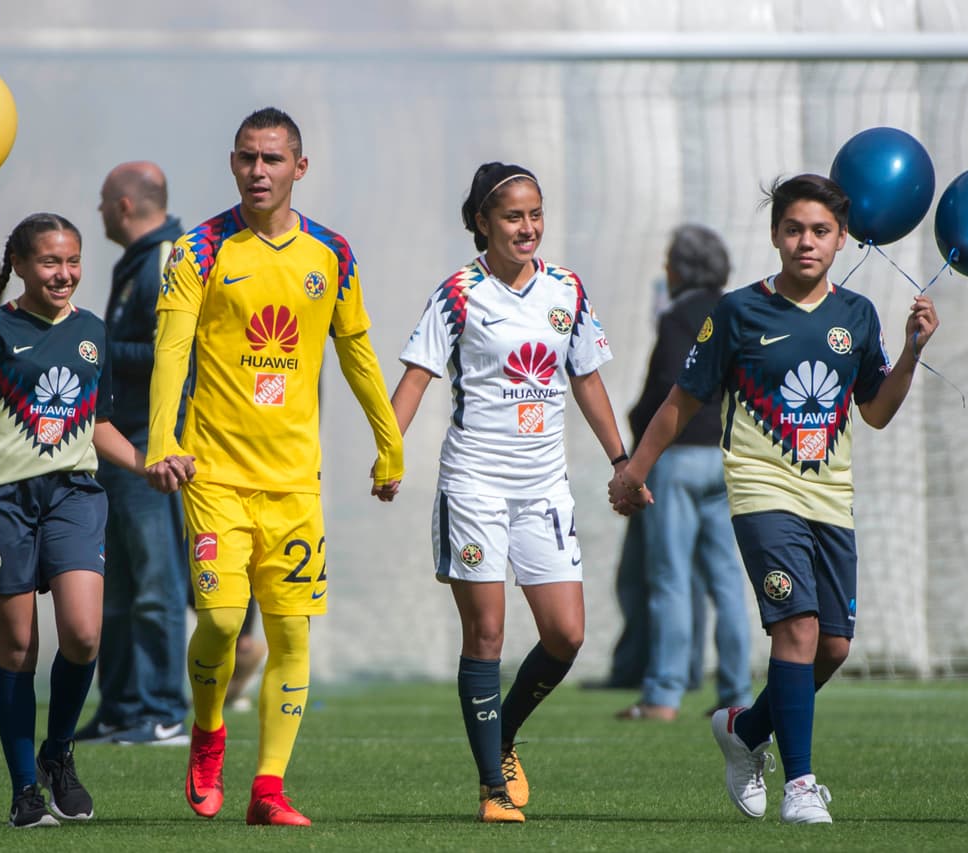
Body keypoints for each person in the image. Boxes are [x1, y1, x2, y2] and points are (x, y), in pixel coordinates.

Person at [610, 174, 938, 824]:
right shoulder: (737, 312)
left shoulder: (858, 315)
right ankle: (801, 784)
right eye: (793, 229)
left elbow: (875, 411)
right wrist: (633, 471)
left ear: (841, 240)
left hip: (831, 498)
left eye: (820, 231)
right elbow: (681, 401)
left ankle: (744, 728)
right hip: (761, 491)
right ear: (774, 236)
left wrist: (910, 352)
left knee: (833, 647)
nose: (805, 242)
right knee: (797, 627)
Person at [145, 107, 403, 827]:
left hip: (294, 482)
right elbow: (171, 349)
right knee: (223, 619)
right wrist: (161, 439)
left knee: (291, 635)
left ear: (299, 167)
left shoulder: (332, 254)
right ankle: (207, 734)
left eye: (272, 159)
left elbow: (357, 352)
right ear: (233, 162)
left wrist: (389, 442)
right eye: (246, 158)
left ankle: (268, 788)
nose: (258, 171)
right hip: (213, 473)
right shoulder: (198, 250)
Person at [389, 161, 629, 823]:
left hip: (544, 488)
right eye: (512, 216)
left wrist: (621, 461)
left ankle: (504, 734)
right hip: (474, 485)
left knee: (567, 634)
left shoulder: (567, 290)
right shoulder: (458, 294)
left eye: (535, 214)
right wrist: (389, 451)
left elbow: (586, 377)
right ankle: (492, 787)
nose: (527, 227)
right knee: (487, 633)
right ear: (482, 223)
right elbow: (415, 378)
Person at [0, 212, 167, 828]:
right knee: (17, 650)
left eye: (72, 261)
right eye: (50, 262)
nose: (64, 274)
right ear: (20, 264)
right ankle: (24, 790)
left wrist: (146, 465)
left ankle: (58, 753)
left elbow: (98, 422)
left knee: (84, 634)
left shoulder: (93, 331)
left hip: (74, 495)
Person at [73, 162, 191, 745]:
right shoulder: (138, 262)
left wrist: (91, 349)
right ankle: (121, 707)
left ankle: (161, 709)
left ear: (123, 205)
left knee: (154, 585)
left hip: (152, 450)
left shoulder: (168, 259)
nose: (98, 211)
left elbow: (178, 354)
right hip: (119, 449)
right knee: (116, 586)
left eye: (102, 200)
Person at [615, 225, 751, 722]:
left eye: (670, 260)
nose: (666, 269)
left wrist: (636, 431)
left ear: (684, 268)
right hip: (725, 456)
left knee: (669, 577)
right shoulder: (736, 311)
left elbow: (668, 389)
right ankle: (738, 692)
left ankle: (663, 694)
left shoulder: (677, 317)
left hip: (678, 458)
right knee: (727, 580)